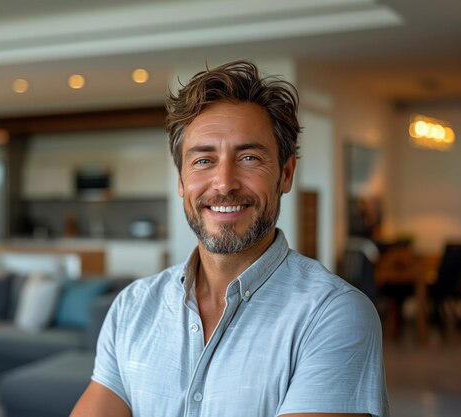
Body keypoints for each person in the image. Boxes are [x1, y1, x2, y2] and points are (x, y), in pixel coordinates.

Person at [71, 60, 389, 417]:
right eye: (203, 160)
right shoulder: (131, 308)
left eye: (249, 157)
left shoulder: (332, 314)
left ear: (285, 175)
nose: (224, 183)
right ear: (180, 181)